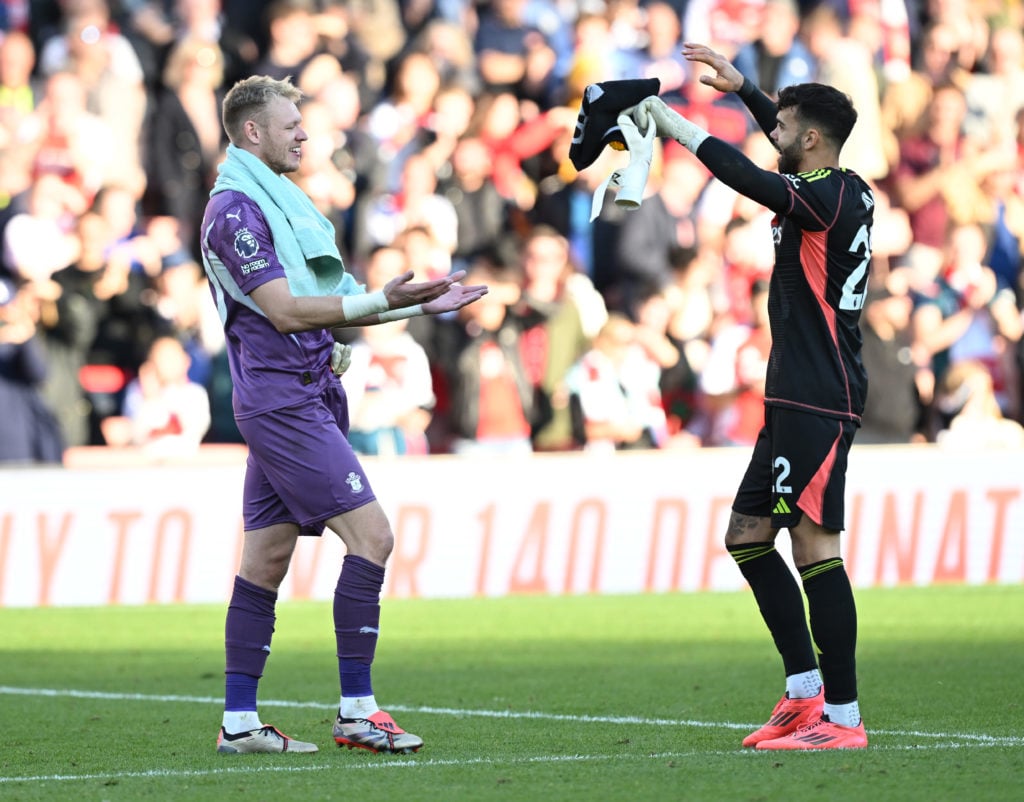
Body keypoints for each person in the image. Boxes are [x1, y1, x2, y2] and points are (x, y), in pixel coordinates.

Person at [199, 74, 487, 755]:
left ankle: (239, 723)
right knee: (373, 537)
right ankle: (357, 712)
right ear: (251, 133)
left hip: (300, 391)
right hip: (281, 400)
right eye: (291, 124)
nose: (304, 133)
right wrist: (379, 304)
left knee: (266, 557)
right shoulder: (233, 213)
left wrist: (413, 304)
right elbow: (285, 308)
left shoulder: (277, 201)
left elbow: (323, 300)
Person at [629, 43, 873, 750]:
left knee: (816, 546)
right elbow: (781, 140)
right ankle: (804, 694)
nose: (775, 135)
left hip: (820, 394)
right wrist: (745, 90)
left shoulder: (821, 197)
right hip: (794, 394)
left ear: (813, 140)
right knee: (747, 535)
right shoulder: (841, 183)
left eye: (785, 127)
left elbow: (744, 175)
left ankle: (844, 719)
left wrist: (677, 127)